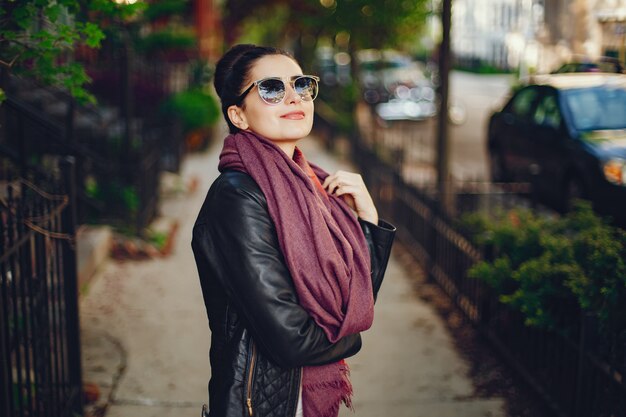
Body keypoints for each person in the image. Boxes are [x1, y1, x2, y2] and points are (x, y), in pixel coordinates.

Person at [192, 44, 396, 417]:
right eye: (271, 88)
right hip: (264, 403)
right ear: (238, 114)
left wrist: (367, 219)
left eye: (301, 85)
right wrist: (353, 336)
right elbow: (292, 340)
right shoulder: (237, 198)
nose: (293, 97)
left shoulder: (313, 186)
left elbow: (357, 295)